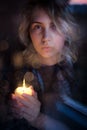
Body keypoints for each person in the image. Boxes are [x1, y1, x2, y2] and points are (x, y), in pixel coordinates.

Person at [2, 0, 84, 130]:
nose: (46, 38)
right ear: (29, 32)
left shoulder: (79, 74)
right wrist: (10, 109)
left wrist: (37, 118)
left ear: (66, 31)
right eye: (38, 27)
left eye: (54, 26)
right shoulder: (16, 71)